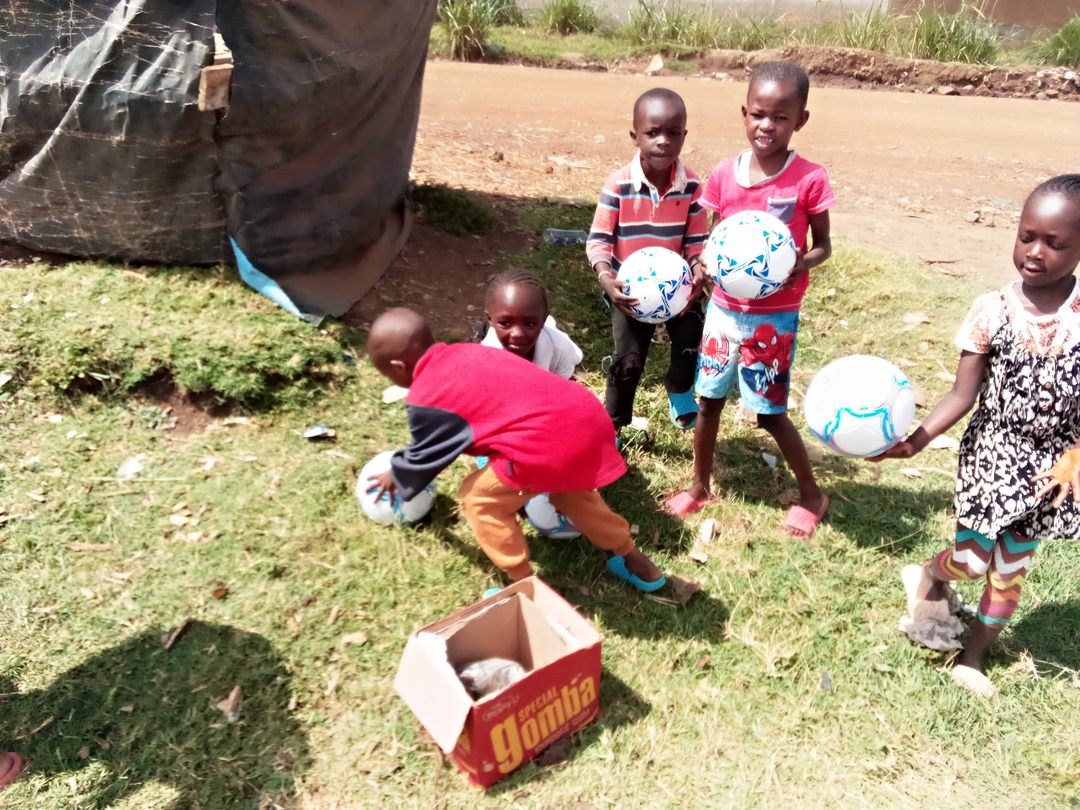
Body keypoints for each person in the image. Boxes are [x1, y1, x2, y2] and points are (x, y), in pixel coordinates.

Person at [874, 174, 1080, 698]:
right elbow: (961, 394)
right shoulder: (991, 310)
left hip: (1052, 470)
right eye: (1026, 236)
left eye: (1054, 244)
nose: (1034, 252)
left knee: (1010, 572)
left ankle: (973, 657)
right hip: (993, 455)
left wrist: (1075, 456)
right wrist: (916, 441)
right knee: (970, 561)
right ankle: (931, 575)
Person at [365, 308, 667, 592]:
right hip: (584, 418)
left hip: (547, 444)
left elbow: (427, 455)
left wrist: (398, 474)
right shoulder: (468, 351)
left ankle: (523, 585)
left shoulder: (426, 396)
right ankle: (634, 559)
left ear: (398, 367)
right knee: (571, 492)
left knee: (479, 499)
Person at [665, 60, 834, 536]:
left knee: (768, 412)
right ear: (744, 113)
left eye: (781, 117)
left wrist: (797, 263)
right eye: (759, 114)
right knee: (708, 400)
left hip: (772, 319)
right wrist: (703, 266)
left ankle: (812, 495)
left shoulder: (809, 179)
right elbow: (715, 237)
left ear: (800, 120)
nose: (767, 125)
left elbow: (823, 246)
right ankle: (699, 486)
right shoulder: (724, 174)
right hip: (723, 310)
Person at [586, 87, 709, 436]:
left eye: (673, 133)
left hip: (679, 289)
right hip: (629, 292)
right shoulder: (619, 184)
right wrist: (606, 278)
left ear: (684, 136)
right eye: (652, 132)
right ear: (635, 136)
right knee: (628, 360)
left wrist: (698, 270)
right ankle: (613, 425)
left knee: (691, 338)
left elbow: (695, 242)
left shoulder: (692, 186)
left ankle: (679, 389)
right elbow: (598, 240)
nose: (663, 141)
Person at [479, 269, 582, 379]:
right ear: (490, 319)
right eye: (505, 323)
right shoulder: (485, 357)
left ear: (543, 320)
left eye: (530, 324)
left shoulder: (560, 351)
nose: (517, 334)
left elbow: (561, 385)